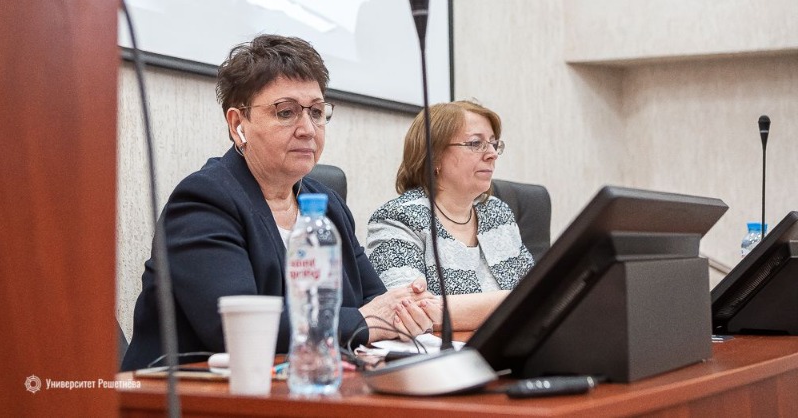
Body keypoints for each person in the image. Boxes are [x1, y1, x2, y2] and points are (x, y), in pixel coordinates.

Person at [122, 35, 437, 371]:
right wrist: (365, 320)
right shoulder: (204, 201)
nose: (308, 129)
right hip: (185, 389)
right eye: (286, 112)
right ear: (238, 124)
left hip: (306, 382)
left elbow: (374, 300)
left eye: (317, 112)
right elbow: (239, 327)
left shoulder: (327, 205)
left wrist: (404, 311)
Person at [366, 100, 535, 331]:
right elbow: (408, 313)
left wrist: (522, 300)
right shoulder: (398, 218)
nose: (492, 154)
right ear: (434, 156)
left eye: (494, 144)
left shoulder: (497, 213)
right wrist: (516, 301)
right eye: (476, 143)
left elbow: (538, 293)